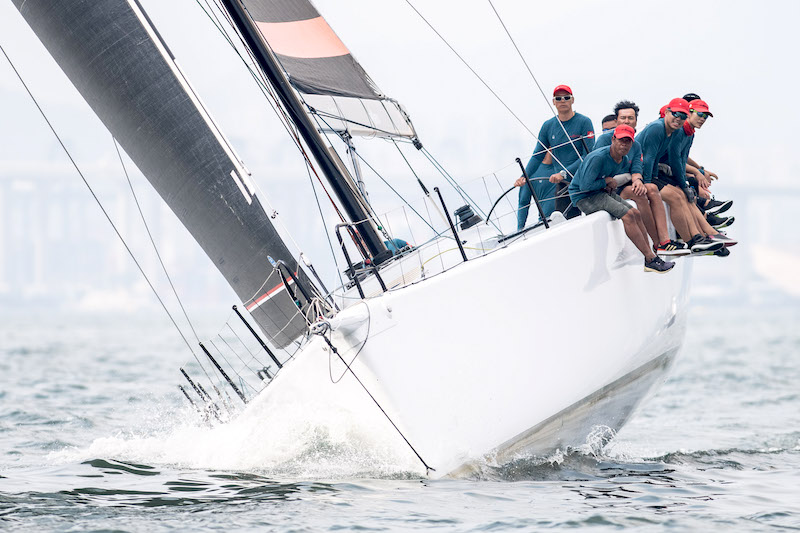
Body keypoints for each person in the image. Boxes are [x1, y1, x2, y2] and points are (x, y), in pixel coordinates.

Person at [569, 124, 674, 273]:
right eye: (621, 140)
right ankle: (650, 259)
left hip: (599, 192)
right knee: (629, 216)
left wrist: (608, 183)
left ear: (632, 143)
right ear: (613, 139)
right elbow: (584, 186)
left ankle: (651, 255)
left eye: (628, 141)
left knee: (636, 213)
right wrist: (607, 181)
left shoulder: (623, 160)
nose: (624, 144)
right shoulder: (598, 157)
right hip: (583, 197)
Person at [594, 100, 688, 256]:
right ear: (616, 120)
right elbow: (597, 170)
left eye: (631, 118)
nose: (627, 121)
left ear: (636, 121)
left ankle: (664, 242)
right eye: (623, 118)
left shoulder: (635, 143)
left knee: (651, 187)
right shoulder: (604, 140)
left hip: (627, 183)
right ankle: (657, 243)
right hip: (608, 187)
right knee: (641, 194)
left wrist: (638, 180)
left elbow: (637, 166)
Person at [636, 98, 721, 254]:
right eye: (676, 114)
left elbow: (677, 159)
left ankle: (698, 238)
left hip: (648, 172)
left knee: (681, 195)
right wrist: (648, 183)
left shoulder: (673, 132)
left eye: (683, 116)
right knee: (676, 197)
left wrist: (687, 181)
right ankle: (693, 240)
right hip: (636, 173)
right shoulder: (658, 128)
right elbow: (649, 158)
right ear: (667, 113)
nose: (679, 119)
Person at [654, 99, 736, 254]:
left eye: (705, 116)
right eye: (699, 114)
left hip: (667, 173)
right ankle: (700, 235)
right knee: (683, 195)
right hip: (658, 173)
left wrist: (699, 171)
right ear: (689, 113)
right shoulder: (679, 131)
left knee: (686, 195)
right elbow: (674, 160)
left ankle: (707, 234)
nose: (702, 119)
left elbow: (682, 159)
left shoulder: (690, 133)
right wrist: (694, 176)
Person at [514, 84, 595, 229]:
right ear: (554, 102)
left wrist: (564, 173)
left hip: (585, 179)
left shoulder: (584, 122)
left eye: (566, 97)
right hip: (563, 185)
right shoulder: (548, 126)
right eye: (558, 98)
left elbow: (588, 155)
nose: (562, 100)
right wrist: (524, 176)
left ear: (572, 100)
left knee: (591, 218)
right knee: (566, 223)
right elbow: (537, 156)